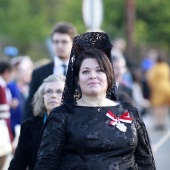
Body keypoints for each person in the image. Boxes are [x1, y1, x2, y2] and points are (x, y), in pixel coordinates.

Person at [34, 32, 156, 169]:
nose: (93, 76)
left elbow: (145, 161)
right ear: (77, 79)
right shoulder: (62, 116)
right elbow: (47, 163)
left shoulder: (129, 111)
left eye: (99, 70)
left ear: (109, 76)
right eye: (85, 71)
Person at [8, 75, 65, 170]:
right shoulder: (28, 126)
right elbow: (18, 164)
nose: (53, 95)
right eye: (49, 91)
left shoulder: (76, 125)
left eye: (59, 92)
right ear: (42, 97)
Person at [23, 22, 77, 120]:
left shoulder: (81, 71)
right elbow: (30, 106)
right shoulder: (38, 73)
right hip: (45, 128)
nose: (59, 45)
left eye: (64, 41)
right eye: (56, 42)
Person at [147, 55, 170, 130]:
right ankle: (163, 122)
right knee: (164, 106)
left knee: (157, 107)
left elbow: (150, 77)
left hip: (158, 89)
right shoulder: (166, 66)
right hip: (167, 87)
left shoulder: (155, 67)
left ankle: (158, 123)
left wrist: (151, 85)